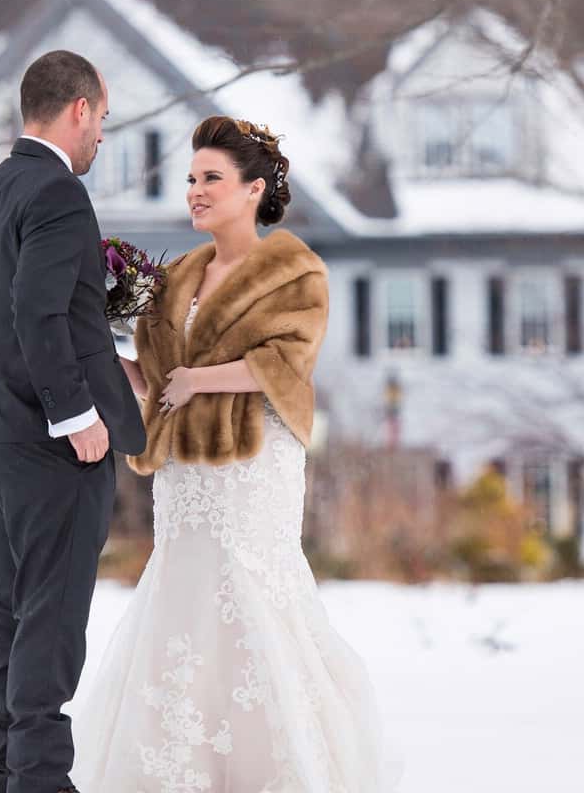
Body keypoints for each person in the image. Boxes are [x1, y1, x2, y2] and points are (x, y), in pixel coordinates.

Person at [73, 116, 397, 792]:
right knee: (182, 596)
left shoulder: (293, 271)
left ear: (254, 189)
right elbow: (160, 378)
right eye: (191, 179)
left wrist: (203, 380)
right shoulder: (177, 278)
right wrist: (100, 353)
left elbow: (286, 361)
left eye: (211, 179)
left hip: (253, 465)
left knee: (251, 590)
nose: (194, 191)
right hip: (185, 474)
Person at [0, 49, 146, 793]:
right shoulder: (56, 193)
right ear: (79, 108)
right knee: (52, 613)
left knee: (14, 609)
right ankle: (39, 780)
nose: (100, 139)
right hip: (50, 442)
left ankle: (8, 774)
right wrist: (75, 413)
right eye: (103, 121)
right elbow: (38, 310)